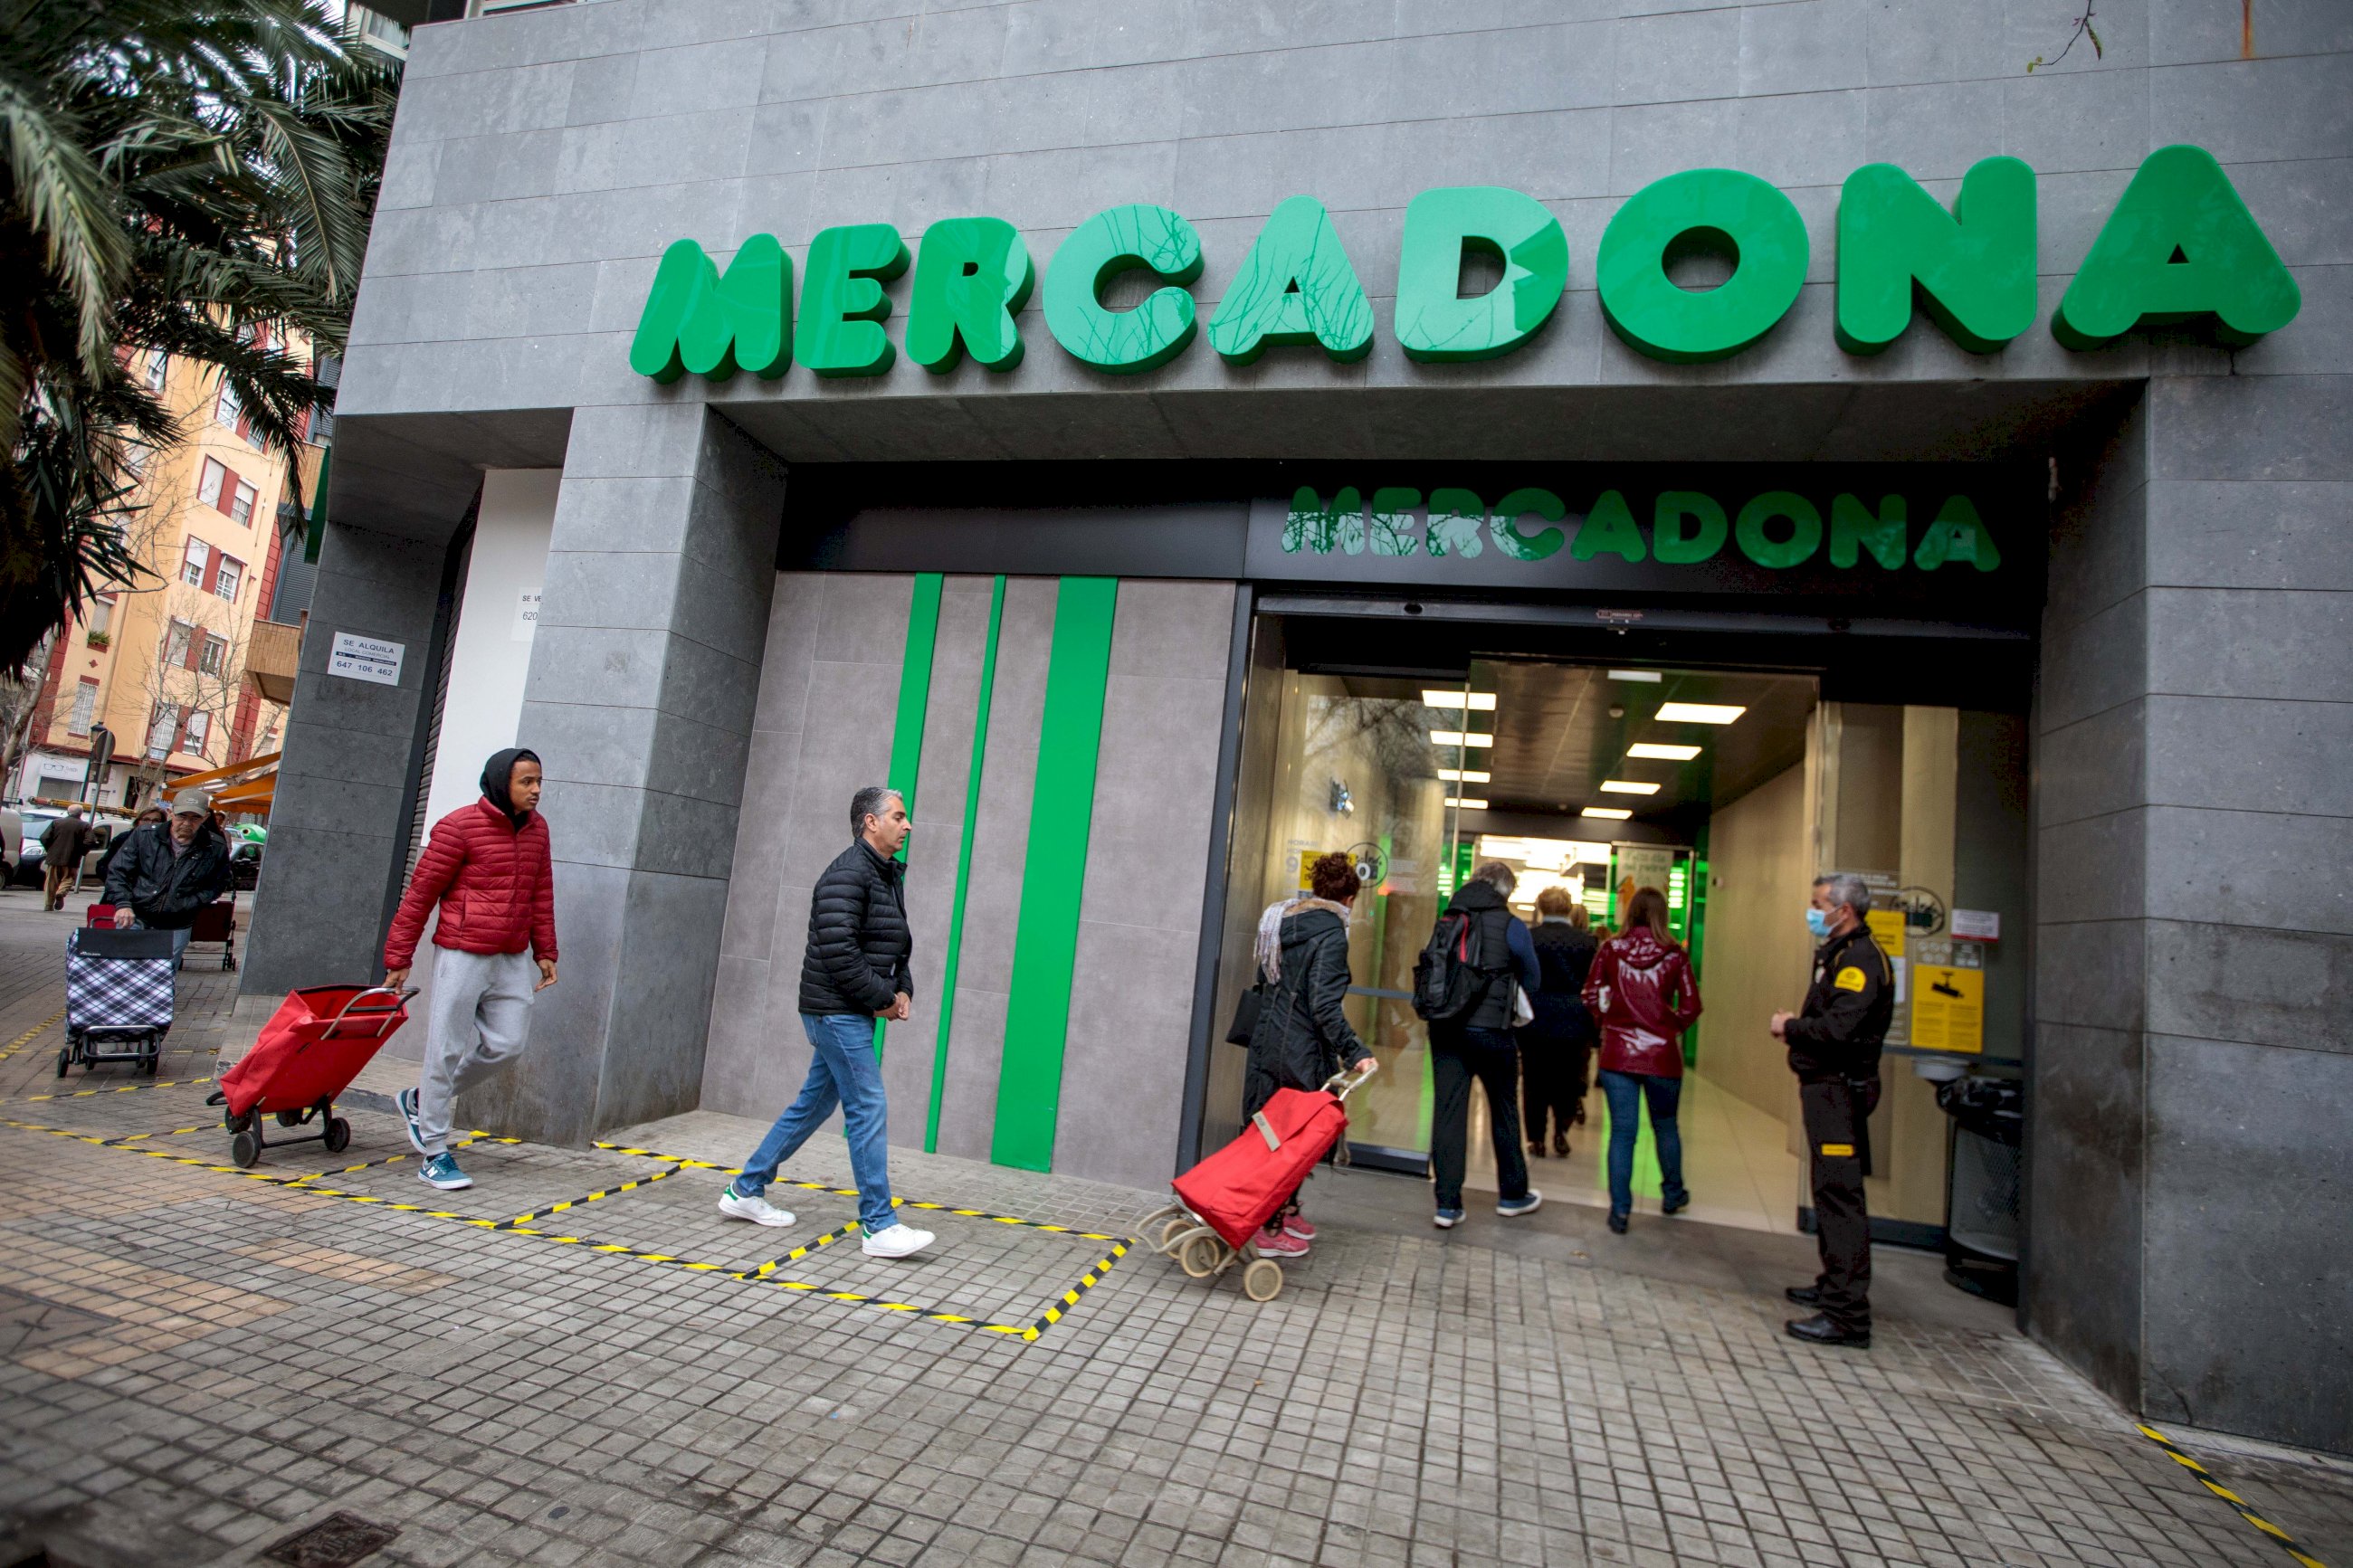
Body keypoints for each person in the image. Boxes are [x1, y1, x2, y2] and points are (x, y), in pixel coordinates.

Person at [716, 786, 936, 1259]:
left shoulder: (885, 874)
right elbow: (840, 953)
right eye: (899, 816)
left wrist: (903, 991)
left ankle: (745, 1190)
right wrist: (882, 999)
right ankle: (878, 1225)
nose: (908, 824)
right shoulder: (847, 875)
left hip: (851, 1010)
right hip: (835, 1012)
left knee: (812, 1105)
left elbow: (896, 943)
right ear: (870, 823)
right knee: (868, 1107)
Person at [385, 749, 559, 1193]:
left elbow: (541, 892)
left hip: (511, 957)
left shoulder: (538, 831)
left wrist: (546, 950)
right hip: (462, 954)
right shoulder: (458, 827)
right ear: (502, 783)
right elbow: (419, 896)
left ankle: (422, 1102)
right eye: (527, 782)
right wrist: (399, 958)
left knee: (507, 1045)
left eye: (539, 781)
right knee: (444, 1049)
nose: (536, 790)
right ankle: (434, 1151)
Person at [1772, 872, 1895, 1350]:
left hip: (1838, 1092)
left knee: (1840, 1197)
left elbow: (1839, 1029)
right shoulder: (1842, 953)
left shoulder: (1860, 960)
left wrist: (1792, 1026)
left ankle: (1847, 1316)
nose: (1812, 910)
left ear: (1843, 910)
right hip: (1826, 1090)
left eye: (1818, 903)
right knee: (1828, 1190)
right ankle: (1833, 1285)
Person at [1241, 851, 1379, 1259]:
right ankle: (1269, 1227)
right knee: (1293, 1140)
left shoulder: (1279, 921)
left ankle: (1284, 1208)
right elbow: (1323, 1005)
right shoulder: (1332, 934)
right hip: (1299, 1051)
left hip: (1267, 1042)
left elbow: (1266, 983)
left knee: (1266, 1132)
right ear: (1350, 899)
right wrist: (1355, 1051)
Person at [1582, 886, 1703, 1234]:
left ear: (1630, 912)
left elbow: (1590, 994)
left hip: (1618, 1055)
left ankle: (1620, 1211)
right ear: (1661, 915)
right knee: (1665, 1126)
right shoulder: (1674, 955)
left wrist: (1607, 1024)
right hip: (1662, 1057)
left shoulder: (1610, 950)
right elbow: (1691, 1006)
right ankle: (1672, 1194)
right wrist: (1669, 1027)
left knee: (1623, 1133)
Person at [1429, 860, 1544, 1228]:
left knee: (1449, 1112)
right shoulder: (1511, 926)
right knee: (1504, 1109)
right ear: (1506, 891)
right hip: (1493, 1031)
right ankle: (1512, 1196)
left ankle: (1447, 1205)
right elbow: (1534, 979)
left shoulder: (1447, 919)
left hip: (1446, 1029)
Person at [104, 792, 232, 967]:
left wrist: (193, 901)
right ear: (171, 813)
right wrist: (123, 904)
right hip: (137, 916)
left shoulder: (215, 846)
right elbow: (119, 871)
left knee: (162, 976)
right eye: (182, 816)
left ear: (205, 818)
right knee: (126, 972)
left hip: (178, 922)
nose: (187, 823)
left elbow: (220, 882)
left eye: (195, 818)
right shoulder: (144, 836)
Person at [1519, 889, 1597, 1158]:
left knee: (1534, 1081)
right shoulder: (1586, 942)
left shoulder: (1530, 938)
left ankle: (1536, 1138)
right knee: (1566, 1079)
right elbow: (1592, 984)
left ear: (1540, 907)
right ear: (1568, 909)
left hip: (1535, 1019)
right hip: (1574, 1021)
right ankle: (1561, 1131)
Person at [40, 806, 94, 911]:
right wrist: (81, 851)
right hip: (72, 859)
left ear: (68, 812)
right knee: (69, 878)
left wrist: (50, 849)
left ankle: (48, 905)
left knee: (51, 881)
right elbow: (90, 841)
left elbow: (44, 837)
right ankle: (61, 892)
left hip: (53, 858)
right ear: (81, 813)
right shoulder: (85, 826)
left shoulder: (56, 822)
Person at [94, 805, 163, 887]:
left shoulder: (165, 843)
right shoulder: (124, 839)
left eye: (156, 821)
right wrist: (115, 885)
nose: (150, 823)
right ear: (138, 822)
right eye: (146, 820)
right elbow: (103, 865)